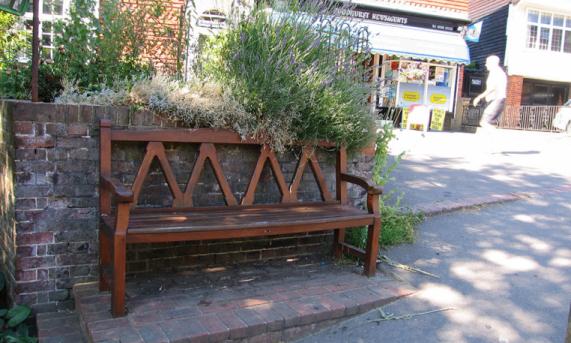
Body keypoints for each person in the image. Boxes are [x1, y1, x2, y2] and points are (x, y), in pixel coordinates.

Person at [473, 55, 507, 129]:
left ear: (493, 63)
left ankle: (496, 138)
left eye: (487, 63)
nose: (485, 65)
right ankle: (491, 138)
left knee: (485, 122)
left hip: (498, 100)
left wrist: (479, 97)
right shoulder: (496, 72)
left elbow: (491, 88)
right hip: (496, 100)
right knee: (486, 123)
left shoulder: (496, 72)